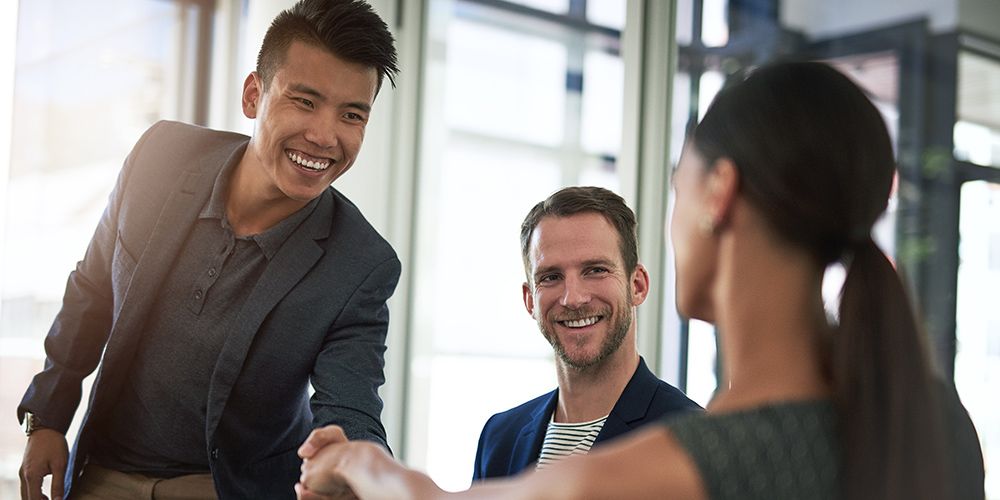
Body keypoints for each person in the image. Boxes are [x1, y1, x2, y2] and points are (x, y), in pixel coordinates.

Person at [294, 61, 986, 499]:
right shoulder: (932, 419)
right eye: (552, 276)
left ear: (720, 192)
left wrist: (357, 463)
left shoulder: (702, 460)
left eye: (677, 186)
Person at [17, 1, 400, 499]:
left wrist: (357, 465)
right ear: (252, 94)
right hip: (102, 471)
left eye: (351, 115)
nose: (324, 136)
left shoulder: (361, 263)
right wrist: (47, 416)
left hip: (223, 487)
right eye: (304, 101)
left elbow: (352, 405)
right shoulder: (161, 157)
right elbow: (92, 289)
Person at [473, 187, 700, 480]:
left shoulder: (691, 439)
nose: (573, 298)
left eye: (595, 270)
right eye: (551, 277)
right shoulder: (499, 437)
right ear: (530, 299)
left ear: (637, 286)